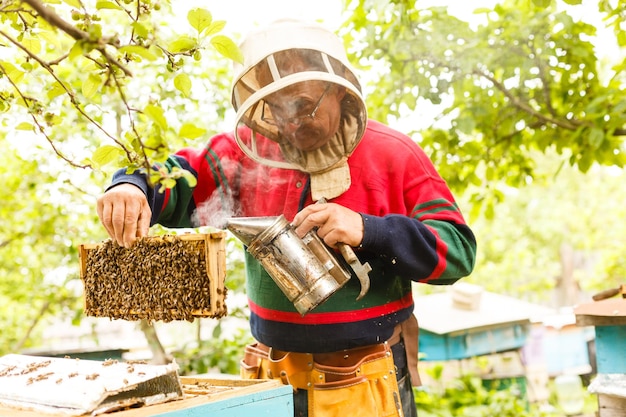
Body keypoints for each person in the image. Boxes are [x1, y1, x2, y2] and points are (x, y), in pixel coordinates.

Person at [97, 19, 477, 417]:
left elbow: (458, 251)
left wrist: (370, 230)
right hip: (271, 377)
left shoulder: (394, 154)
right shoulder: (240, 154)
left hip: (368, 375)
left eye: (302, 105)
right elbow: (175, 179)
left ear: (337, 90)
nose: (291, 122)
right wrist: (131, 186)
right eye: (277, 109)